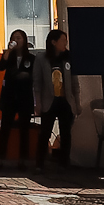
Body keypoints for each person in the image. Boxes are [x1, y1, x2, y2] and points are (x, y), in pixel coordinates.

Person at [34, 28, 79, 170]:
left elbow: (74, 82)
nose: (65, 43)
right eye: (62, 41)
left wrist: (77, 102)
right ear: (53, 42)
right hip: (49, 101)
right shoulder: (41, 58)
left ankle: (64, 163)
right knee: (45, 132)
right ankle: (40, 164)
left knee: (66, 133)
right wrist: (38, 103)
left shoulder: (68, 57)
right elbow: (37, 83)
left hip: (66, 101)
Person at [0, 29, 36, 169]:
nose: (16, 40)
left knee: (24, 129)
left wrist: (25, 76)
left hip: (24, 97)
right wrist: (7, 52)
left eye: (19, 38)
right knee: (5, 127)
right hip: (9, 97)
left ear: (24, 40)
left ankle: (22, 160)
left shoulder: (31, 58)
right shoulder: (9, 56)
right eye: (14, 38)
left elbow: (34, 76)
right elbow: (0, 67)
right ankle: (0, 159)